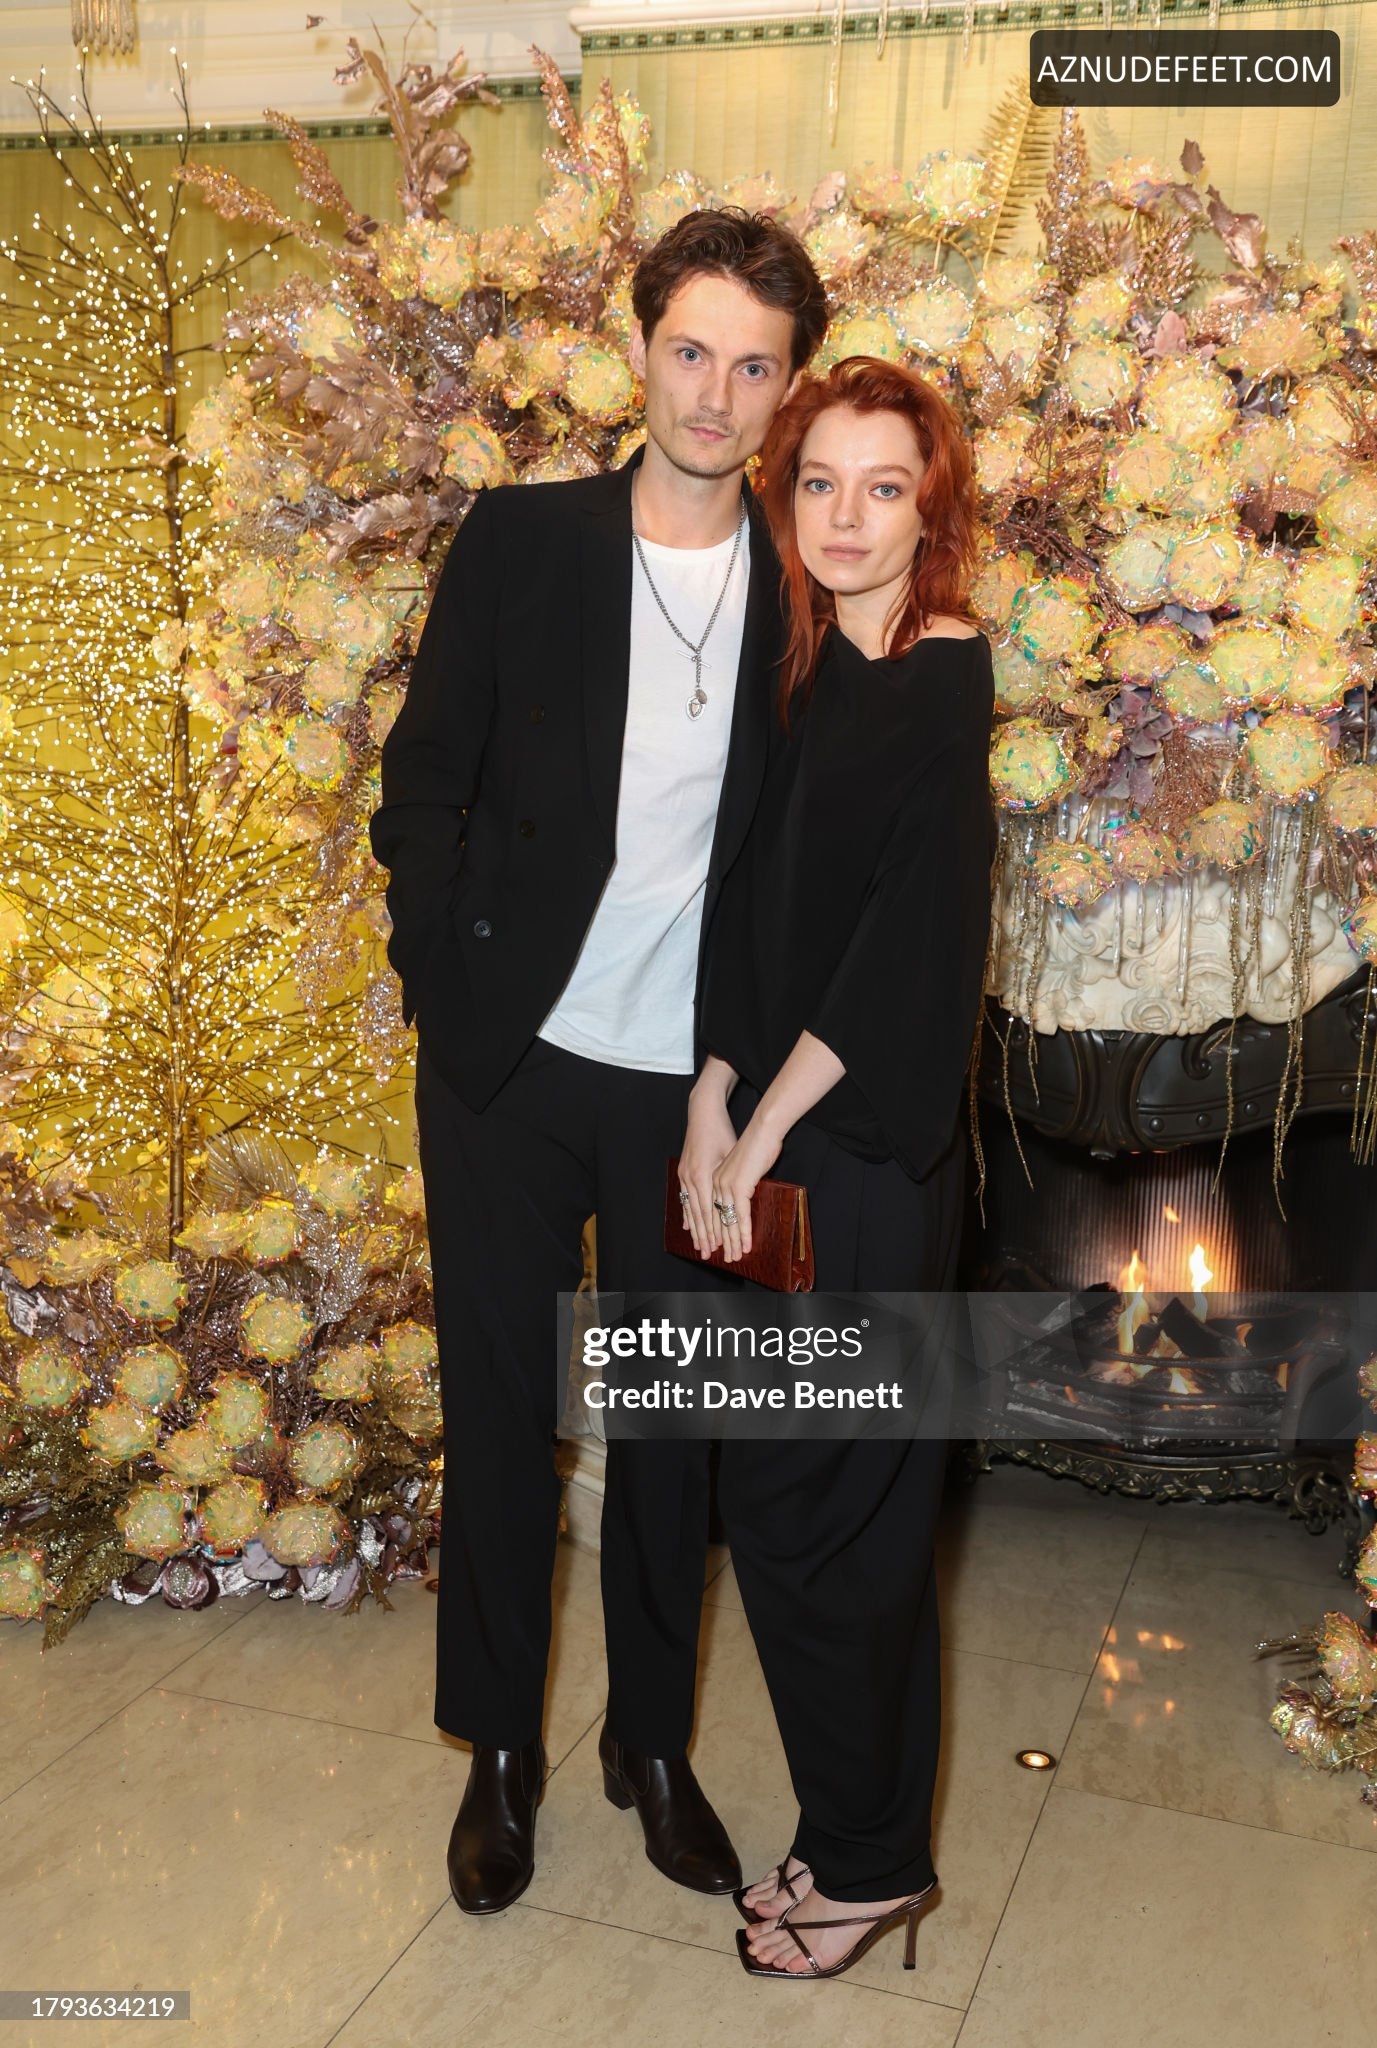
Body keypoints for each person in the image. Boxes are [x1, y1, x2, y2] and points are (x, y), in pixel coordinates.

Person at [368, 209, 827, 1915]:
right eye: (689, 350)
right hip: (507, 1057)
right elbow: (424, 779)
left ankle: (652, 1745)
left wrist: (747, 1080)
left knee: (668, 1425)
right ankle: (498, 1751)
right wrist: (439, 977)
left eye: (753, 367)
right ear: (638, 350)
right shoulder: (523, 539)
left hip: (689, 1088)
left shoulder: (807, 586)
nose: (714, 393)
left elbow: (807, 856)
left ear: (786, 390)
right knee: (499, 1414)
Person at [678, 356, 996, 1978]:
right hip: (776, 1139)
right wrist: (707, 1097)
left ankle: (872, 1866)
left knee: (841, 1516)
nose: (848, 517)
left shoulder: (940, 674)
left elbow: (902, 951)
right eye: (820, 483)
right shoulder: (796, 668)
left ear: (930, 513)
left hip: (863, 1162)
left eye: (885, 488)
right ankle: (842, 1822)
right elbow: (749, 914)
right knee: (777, 1498)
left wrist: (765, 1125)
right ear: (784, 496)